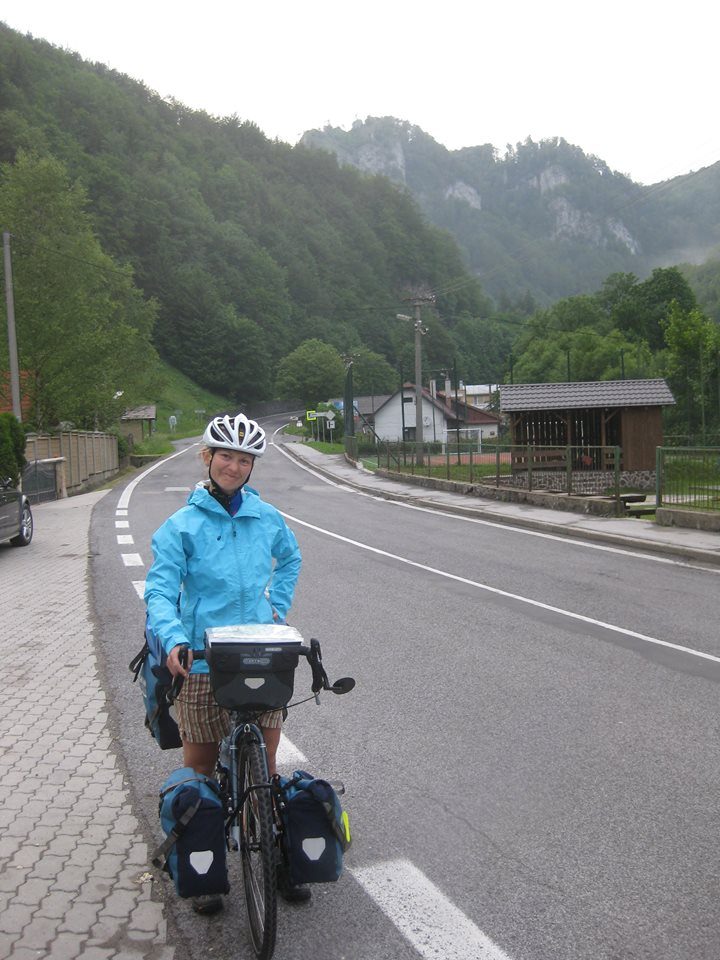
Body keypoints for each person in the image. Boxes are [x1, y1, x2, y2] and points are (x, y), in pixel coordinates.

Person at [144, 412, 305, 912]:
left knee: (266, 766)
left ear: (252, 466)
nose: (234, 467)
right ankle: (206, 866)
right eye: (225, 456)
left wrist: (277, 608)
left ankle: (278, 856)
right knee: (200, 767)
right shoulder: (181, 526)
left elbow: (291, 559)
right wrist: (174, 639)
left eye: (244, 460)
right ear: (207, 457)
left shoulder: (266, 517)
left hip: (258, 652)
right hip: (202, 660)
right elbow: (160, 590)